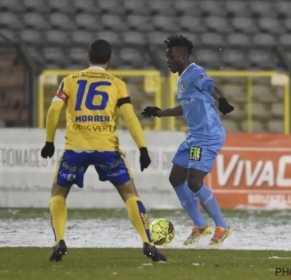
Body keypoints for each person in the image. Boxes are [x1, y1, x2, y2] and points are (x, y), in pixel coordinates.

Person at [40, 39, 166, 262]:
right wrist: (143, 148)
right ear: (110, 60)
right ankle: (148, 242)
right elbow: (130, 117)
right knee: (130, 194)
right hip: (107, 149)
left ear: (88, 58)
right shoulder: (117, 84)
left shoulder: (69, 81)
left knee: (58, 194)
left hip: (75, 149)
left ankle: (59, 240)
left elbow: (53, 110)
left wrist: (49, 141)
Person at [142, 35, 234, 247]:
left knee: (194, 182)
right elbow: (185, 107)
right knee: (176, 178)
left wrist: (222, 100)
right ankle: (201, 226)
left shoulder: (195, 72)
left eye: (170, 57)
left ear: (182, 57)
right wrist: (160, 113)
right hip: (194, 137)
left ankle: (222, 227)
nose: (167, 61)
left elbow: (211, 85)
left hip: (208, 136)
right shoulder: (182, 78)